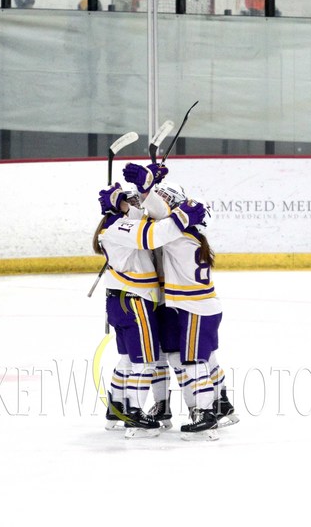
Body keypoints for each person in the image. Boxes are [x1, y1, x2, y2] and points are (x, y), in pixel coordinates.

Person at [123, 162, 238, 441]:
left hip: (191, 307)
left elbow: (161, 219)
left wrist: (148, 187)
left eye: (165, 198)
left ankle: (206, 412)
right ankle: (219, 405)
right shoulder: (189, 233)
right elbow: (155, 216)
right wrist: (146, 190)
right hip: (189, 306)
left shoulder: (177, 234)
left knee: (192, 361)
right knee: (197, 358)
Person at [93, 180, 207, 438]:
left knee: (127, 360)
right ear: (118, 206)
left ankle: (117, 408)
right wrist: (182, 216)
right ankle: (134, 416)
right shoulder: (121, 227)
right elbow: (152, 235)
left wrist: (146, 190)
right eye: (127, 199)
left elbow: (141, 217)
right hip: (135, 301)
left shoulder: (116, 225)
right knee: (145, 362)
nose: (134, 202)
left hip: (119, 300)